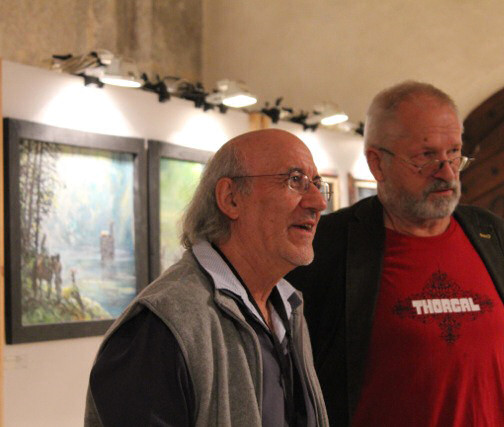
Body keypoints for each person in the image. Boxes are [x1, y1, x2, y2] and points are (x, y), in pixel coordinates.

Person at [286, 81, 504, 427]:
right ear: (377, 164)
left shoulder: (493, 235)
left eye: (454, 153)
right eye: (426, 156)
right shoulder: (328, 245)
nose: (447, 172)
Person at [85, 129, 330, 426]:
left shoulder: (288, 307)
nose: (318, 202)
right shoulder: (159, 327)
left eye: (317, 184)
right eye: (295, 180)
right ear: (231, 198)